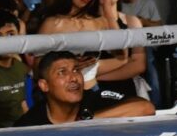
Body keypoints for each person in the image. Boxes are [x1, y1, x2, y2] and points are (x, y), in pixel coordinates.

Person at [37, 0, 150, 107]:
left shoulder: (99, 22)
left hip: (92, 90)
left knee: (142, 107)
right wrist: (68, 65)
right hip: (63, 93)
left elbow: (122, 56)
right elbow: (38, 67)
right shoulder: (53, 23)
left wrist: (107, 8)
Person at [15, 51, 154, 126]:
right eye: (62, 72)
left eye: (76, 70)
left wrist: (87, 121)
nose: (73, 77)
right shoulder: (31, 123)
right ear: (44, 85)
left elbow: (145, 108)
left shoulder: (94, 99)